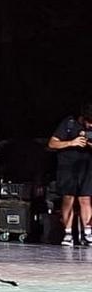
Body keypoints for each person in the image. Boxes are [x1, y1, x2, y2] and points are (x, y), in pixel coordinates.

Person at [46, 103, 92, 247]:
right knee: (68, 198)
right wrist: (72, 143)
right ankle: (67, 232)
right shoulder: (69, 123)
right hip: (67, 167)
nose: (90, 125)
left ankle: (88, 233)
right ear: (82, 118)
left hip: (86, 168)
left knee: (85, 199)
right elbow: (52, 143)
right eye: (89, 122)